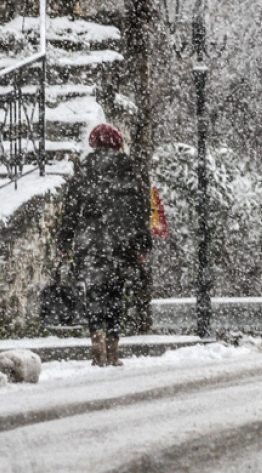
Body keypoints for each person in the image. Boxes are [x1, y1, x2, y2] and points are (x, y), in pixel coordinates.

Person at [55, 124, 152, 367]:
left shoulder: (84, 168)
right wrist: (142, 244)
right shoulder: (129, 168)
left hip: (90, 241)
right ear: (117, 143)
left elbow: (71, 209)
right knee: (116, 294)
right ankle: (113, 348)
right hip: (121, 242)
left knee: (94, 292)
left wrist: (65, 241)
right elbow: (141, 211)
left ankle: (97, 346)